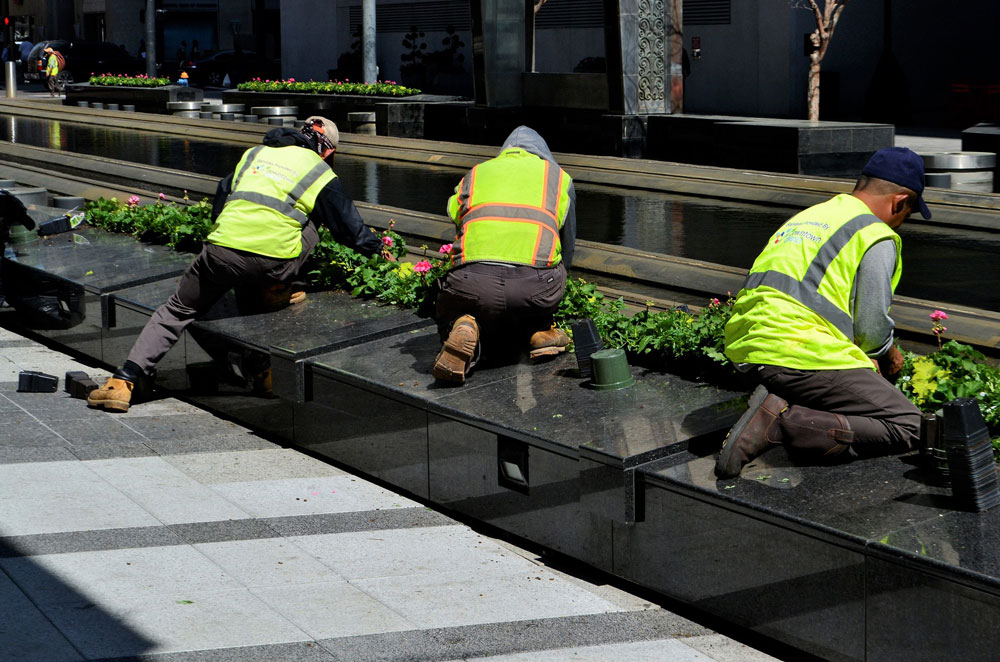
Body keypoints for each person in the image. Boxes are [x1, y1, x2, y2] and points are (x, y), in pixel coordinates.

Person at [88, 117, 386, 412]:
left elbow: (222, 194)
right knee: (312, 218)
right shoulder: (319, 171)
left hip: (222, 250)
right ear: (329, 152)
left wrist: (227, 240)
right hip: (275, 262)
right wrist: (378, 251)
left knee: (177, 309)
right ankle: (277, 295)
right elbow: (349, 229)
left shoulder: (255, 154)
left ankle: (122, 382)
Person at [715, 147, 928, 479]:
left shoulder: (812, 215)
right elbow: (871, 327)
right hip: (800, 352)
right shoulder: (875, 234)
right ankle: (782, 423)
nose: (901, 223)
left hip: (750, 348)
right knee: (912, 425)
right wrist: (885, 354)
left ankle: (778, 400)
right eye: (908, 214)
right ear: (900, 202)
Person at [432, 125, 576, 384]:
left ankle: (465, 324)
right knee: (551, 273)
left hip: (470, 283)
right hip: (535, 288)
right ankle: (539, 329)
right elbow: (567, 245)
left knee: (473, 299)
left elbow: (459, 222)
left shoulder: (475, 174)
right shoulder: (558, 177)